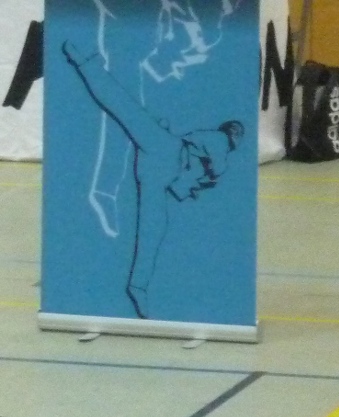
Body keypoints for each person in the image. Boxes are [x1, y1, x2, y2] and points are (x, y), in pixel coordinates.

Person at [63, 38, 243, 318]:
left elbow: (195, 180)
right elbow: (217, 168)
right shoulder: (220, 141)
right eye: (238, 133)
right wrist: (206, 177)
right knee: (152, 226)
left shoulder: (210, 148)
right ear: (231, 132)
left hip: (160, 166)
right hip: (167, 155)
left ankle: (138, 286)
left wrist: (195, 181)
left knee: (153, 225)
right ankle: (138, 285)